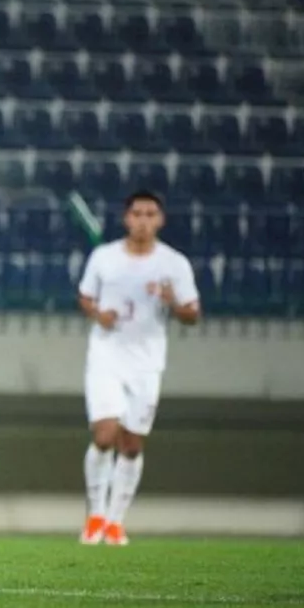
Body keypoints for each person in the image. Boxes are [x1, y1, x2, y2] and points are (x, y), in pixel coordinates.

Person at [76, 190, 200, 547]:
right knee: (104, 434)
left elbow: (193, 313)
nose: (143, 220)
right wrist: (99, 314)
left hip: (146, 364)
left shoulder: (173, 264)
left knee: (131, 445)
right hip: (106, 356)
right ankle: (95, 515)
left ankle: (116, 522)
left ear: (159, 220)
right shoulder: (104, 257)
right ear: (126, 218)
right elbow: (85, 295)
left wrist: (171, 301)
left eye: (150, 214)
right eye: (137, 213)